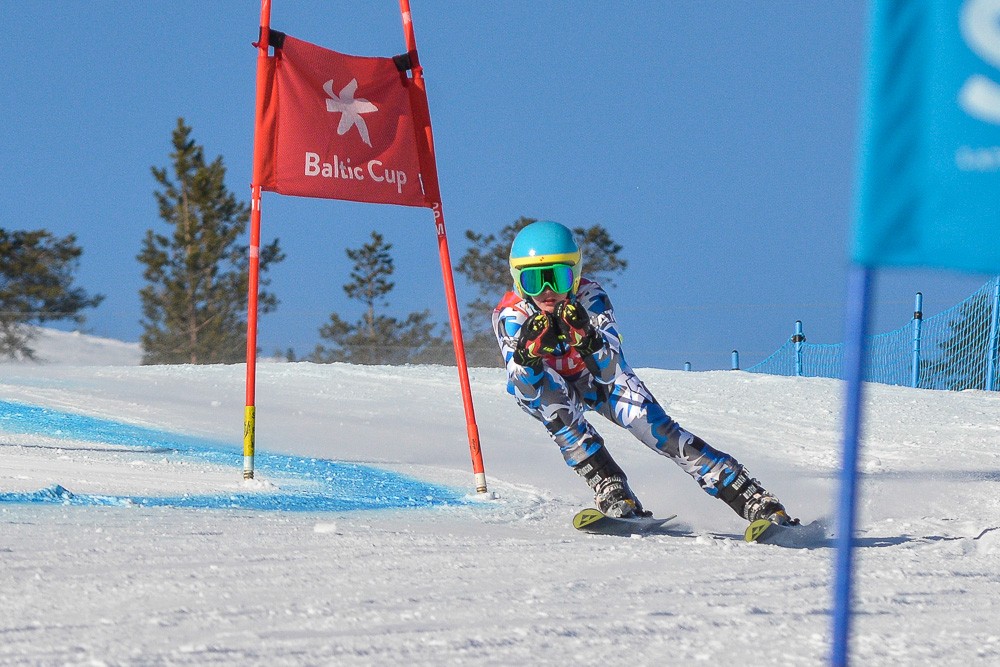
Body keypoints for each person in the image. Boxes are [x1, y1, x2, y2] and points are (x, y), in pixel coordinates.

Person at [492, 220, 797, 525]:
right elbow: (524, 388)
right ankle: (609, 485)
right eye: (534, 281)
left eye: (558, 278)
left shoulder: (590, 298)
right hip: (549, 386)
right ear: (518, 280)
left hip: (597, 380)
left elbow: (610, 369)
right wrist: (527, 356)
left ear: (575, 275)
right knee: (554, 408)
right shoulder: (511, 315)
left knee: (655, 428)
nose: (547, 291)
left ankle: (747, 494)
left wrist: (587, 339)